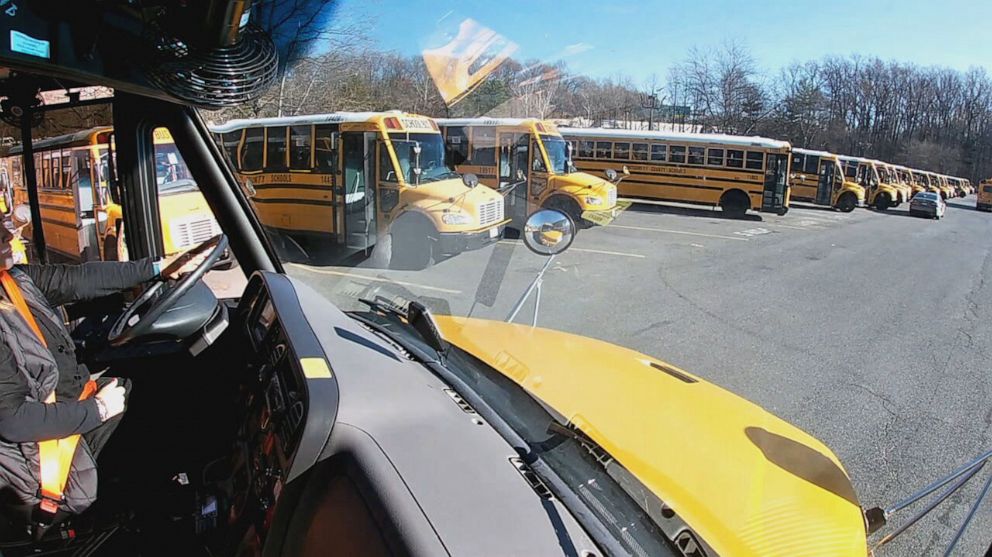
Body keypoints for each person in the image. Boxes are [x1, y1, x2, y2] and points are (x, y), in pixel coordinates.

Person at [0, 213, 195, 516]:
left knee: (157, 375)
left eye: (3, 225)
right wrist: (98, 410)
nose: (8, 236)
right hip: (52, 452)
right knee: (173, 403)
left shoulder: (13, 282)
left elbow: (77, 279)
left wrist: (158, 267)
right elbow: (13, 420)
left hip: (74, 405)